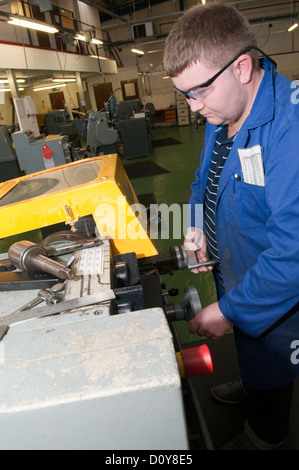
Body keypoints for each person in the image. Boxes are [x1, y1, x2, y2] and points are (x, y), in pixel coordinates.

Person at [164, 2, 299, 450]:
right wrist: (195, 227)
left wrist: (226, 311)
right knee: (252, 350)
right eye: (184, 95)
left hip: (280, 292)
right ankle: (254, 383)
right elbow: (203, 179)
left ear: (241, 67)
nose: (193, 107)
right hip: (238, 268)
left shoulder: (290, 130)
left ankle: (264, 437)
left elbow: (292, 257)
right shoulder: (221, 110)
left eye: (198, 92)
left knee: (275, 359)